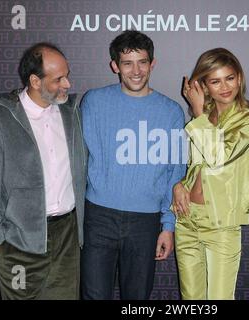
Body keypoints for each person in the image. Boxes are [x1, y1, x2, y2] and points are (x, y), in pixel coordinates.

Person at [0, 42, 87, 300]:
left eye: (67, 75)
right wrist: (0, 243)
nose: (67, 84)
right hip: (19, 243)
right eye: (59, 79)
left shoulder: (73, 113)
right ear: (35, 81)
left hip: (67, 237)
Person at [80, 30, 186, 300]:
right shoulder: (93, 102)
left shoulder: (171, 111)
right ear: (115, 65)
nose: (136, 71)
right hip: (99, 216)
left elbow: (176, 173)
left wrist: (168, 225)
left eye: (142, 62)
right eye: (127, 63)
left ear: (153, 63)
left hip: (145, 221)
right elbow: (78, 158)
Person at [172, 48, 249, 300]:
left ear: (240, 78)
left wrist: (198, 111)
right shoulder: (203, 118)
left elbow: (218, 158)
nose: (225, 87)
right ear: (203, 85)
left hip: (221, 224)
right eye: (215, 81)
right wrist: (181, 184)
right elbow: (197, 167)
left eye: (230, 78)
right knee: (191, 300)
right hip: (187, 219)